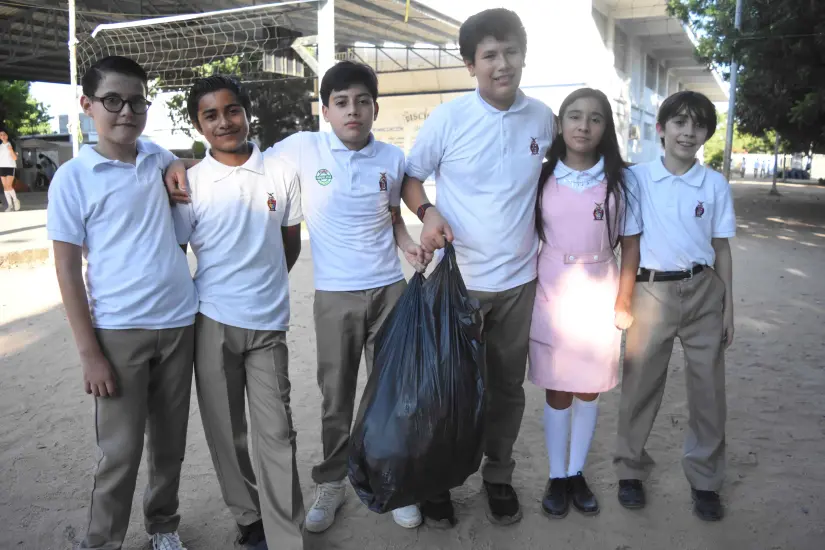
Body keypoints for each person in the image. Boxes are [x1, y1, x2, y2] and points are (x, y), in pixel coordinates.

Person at [164, 61, 431, 532]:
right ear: (324, 110)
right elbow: (238, 155)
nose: (353, 111)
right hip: (334, 295)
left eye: (362, 102)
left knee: (393, 391)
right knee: (336, 398)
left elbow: (391, 217)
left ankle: (394, 480)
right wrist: (177, 163)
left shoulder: (392, 157)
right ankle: (332, 482)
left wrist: (408, 244)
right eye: (342, 103)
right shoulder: (301, 150)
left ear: (375, 107)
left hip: (390, 288)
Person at [401, 8, 555, 526]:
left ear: (523, 56)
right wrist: (428, 212)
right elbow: (411, 178)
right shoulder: (449, 119)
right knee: (449, 387)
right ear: (471, 65)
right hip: (460, 282)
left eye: (510, 51)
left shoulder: (543, 118)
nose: (502, 63)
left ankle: (499, 475)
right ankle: (441, 481)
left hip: (519, 282)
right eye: (489, 55)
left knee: (508, 387)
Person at [46, 55, 199, 550]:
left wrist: (177, 160)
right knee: (119, 452)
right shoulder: (74, 177)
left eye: (136, 101)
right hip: (118, 334)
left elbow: (186, 162)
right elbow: (67, 271)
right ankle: (104, 540)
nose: (126, 111)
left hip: (179, 323)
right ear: (87, 105)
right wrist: (90, 353)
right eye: (113, 100)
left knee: (170, 446)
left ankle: (163, 527)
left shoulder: (156, 158)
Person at [171, 76, 304, 550]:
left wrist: (261, 288)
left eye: (232, 110)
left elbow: (287, 246)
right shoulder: (191, 183)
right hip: (212, 321)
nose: (224, 121)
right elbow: (177, 250)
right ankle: (250, 520)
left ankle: (288, 536)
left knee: (276, 433)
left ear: (246, 113)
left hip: (268, 324)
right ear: (198, 124)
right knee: (227, 433)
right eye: (211, 114)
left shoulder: (281, 172)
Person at [614, 91, 736, 522]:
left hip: (704, 291)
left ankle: (705, 480)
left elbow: (721, 249)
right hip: (652, 292)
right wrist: (624, 297)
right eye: (680, 123)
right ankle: (629, 470)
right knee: (641, 386)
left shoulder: (715, 185)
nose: (689, 132)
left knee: (708, 392)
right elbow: (625, 241)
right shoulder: (637, 179)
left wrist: (729, 308)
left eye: (698, 125)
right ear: (661, 129)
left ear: (706, 133)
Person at [531, 88, 641, 520]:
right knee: (558, 388)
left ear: (605, 128)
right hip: (552, 288)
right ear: (560, 124)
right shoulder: (540, 175)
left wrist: (624, 298)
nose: (583, 125)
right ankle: (557, 476)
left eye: (595, 119)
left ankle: (577, 472)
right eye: (574, 117)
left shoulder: (621, 179)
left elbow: (630, 245)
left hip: (599, 289)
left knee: (589, 388)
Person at [0, 129, 20, 211]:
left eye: (4, 134)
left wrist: (11, 149)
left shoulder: (11, 144)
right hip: (1, 167)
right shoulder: (0, 146)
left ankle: (15, 201)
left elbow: (15, 158)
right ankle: (10, 205)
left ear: (7, 136)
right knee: (5, 187)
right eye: (1, 135)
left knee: (9, 186)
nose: (2, 136)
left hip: (10, 167)